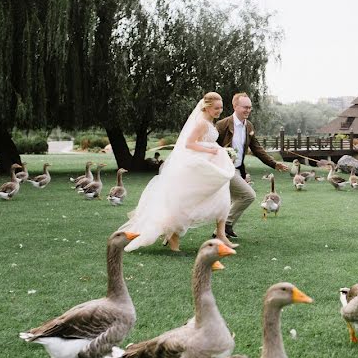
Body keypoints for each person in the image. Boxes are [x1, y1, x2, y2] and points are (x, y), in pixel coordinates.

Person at [120, 92, 237, 252]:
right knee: (186, 200)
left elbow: (205, 141)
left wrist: (218, 150)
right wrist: (211, 150)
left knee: (220, 192)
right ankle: (172, 233)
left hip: (206, 163)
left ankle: (220, 233)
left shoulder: (209, 121)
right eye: (216, 108)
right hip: (196, 163)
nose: (219, 111)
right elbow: (189, 144)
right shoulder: (201, 123)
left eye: (221, 108)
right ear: (208, 107)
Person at [215, 92, 287, 238]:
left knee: (235, 200)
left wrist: (274, 164)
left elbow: (257, 148)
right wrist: (222, 155)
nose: (248, 110)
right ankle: (225, 226)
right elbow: (211, 147)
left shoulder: (249, 126)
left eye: (250, 107)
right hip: (224, 169)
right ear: (235, 106)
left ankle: (222, 231)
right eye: (245, 107)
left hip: (238, 169)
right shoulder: (222, 125)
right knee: (248, 195)